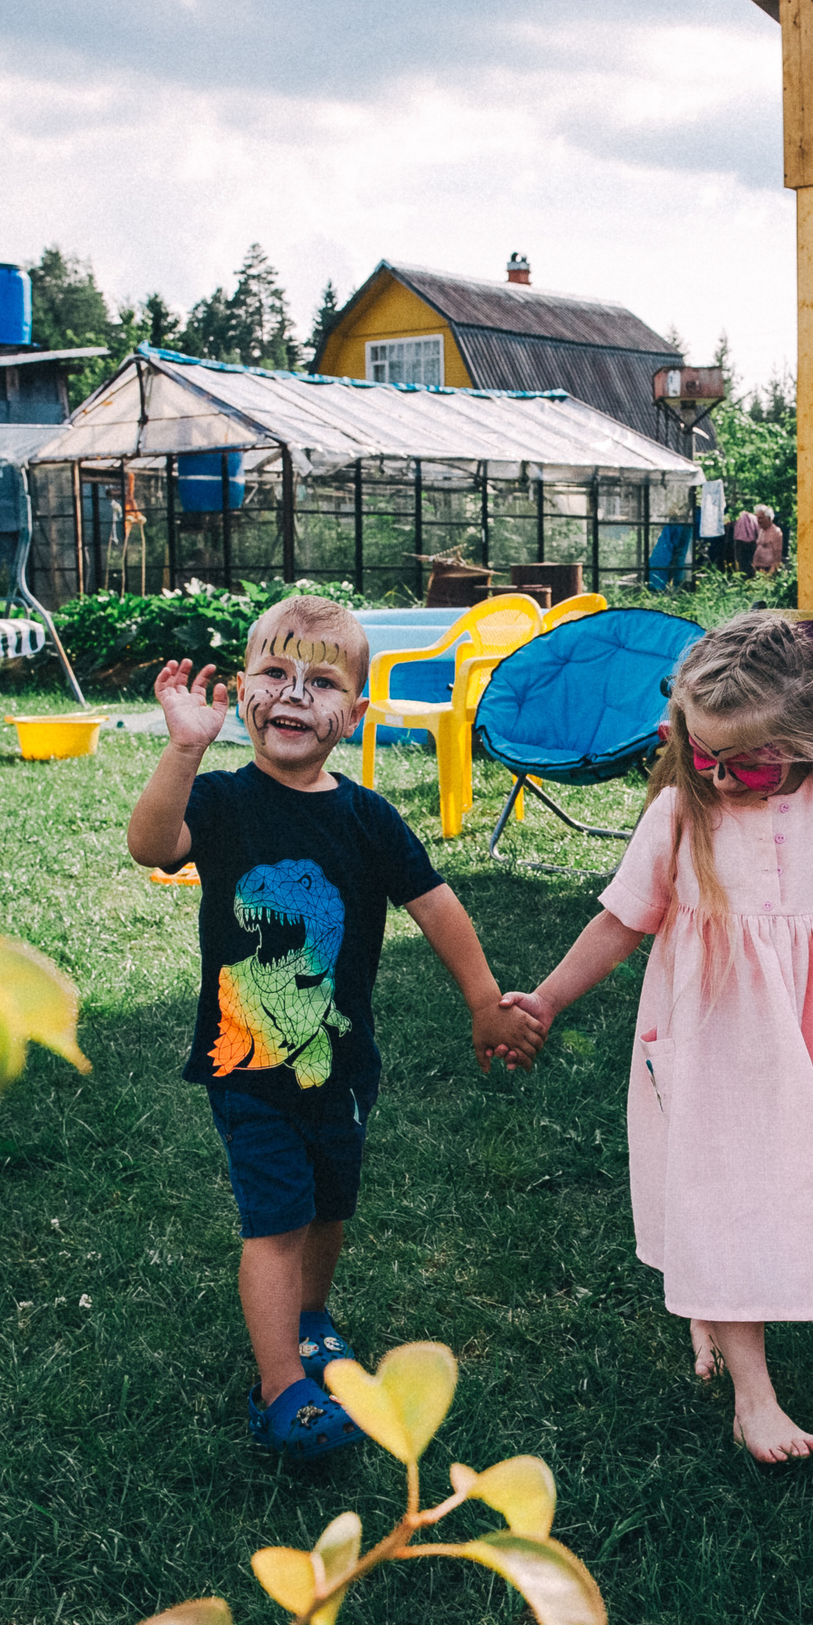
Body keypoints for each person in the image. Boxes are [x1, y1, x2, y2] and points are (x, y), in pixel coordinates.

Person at [502, 615, 813, 1463]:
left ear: (804, 735)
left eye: (742, 761)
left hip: (802, 1050)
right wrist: (551, 999)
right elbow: (619, 923)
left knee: (770, 1190)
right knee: (731, 1196)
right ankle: (755, 1396)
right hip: (707, 1046)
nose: (719, 776)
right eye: (701, 753)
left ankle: (707, 1307)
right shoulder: (682, 813)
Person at [128, 595, 548, 1459]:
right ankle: (281, 1386)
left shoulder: (367, 819)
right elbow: (150, 844)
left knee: (327, 1208)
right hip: (247, 1066)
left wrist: (483, 999)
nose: (293, 695)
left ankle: (312, 1319)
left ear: (354, 714)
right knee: (276, 1221)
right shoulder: (222, 800)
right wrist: (182, 747)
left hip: (343, 1066)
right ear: (244, 689)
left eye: (320, 682)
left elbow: (437, 905)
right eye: (275, 673)